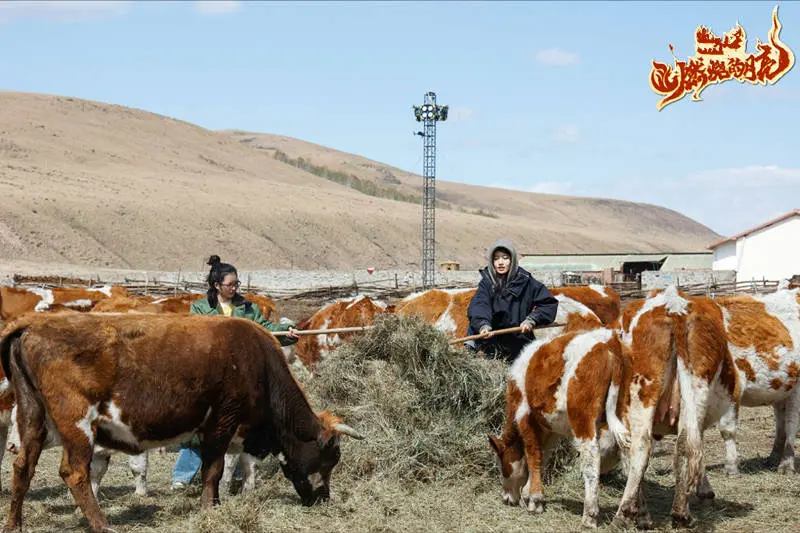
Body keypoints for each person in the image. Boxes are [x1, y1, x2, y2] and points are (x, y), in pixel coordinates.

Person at [171, 255, 300, 490]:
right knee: (199, 423)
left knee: (236, 425)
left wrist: (285, 332)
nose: (234, 288)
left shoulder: (247, 307)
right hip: (209, 374)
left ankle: (236, 474)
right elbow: (190, 338)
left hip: (240, 377)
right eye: (230, 284)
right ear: (217, 285)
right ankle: (182, 476)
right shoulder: (200, 308)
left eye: (236, 284)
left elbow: (265, 330)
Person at [466, 238, 558, 362]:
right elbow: (480, 304)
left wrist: (532, 320)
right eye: (496, 258)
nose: (500, 263)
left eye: (505, 258)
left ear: (513, 260)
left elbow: (548, 303)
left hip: (518, 338)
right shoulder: (487, 282)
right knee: (472, 336)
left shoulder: (525, 281)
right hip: (492, 337)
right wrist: (483, 325)